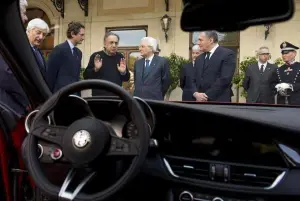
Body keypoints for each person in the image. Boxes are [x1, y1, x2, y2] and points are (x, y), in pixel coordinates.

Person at [0, 0, 29, 116]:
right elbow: (7, 74)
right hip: (9, 108)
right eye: (23, 13)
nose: (26, 18)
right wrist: (27, 98)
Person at [192, 31, 236, 102]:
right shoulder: (199, 58)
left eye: (200, 40)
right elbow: (193, 79)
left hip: (219, 101)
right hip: (199, 101)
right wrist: (195, 93)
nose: (198, 43)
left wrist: (206, 96)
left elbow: (224, 79)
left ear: (211, 40)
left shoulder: (227, 55)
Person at [83, 32, 129, 96]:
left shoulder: (120, 57)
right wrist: (95, 69)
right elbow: (86, 77)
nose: (114, 45)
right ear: (104, 44)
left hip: (116, 96)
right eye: (111, 42)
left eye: (116, 43)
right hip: (99, 97)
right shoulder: (96, 56)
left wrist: (123, 72)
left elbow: (126, 78)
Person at [46, 21, 85, 93]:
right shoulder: (59, 49)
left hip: (74, 95)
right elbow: (50, 75)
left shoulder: (79, 53)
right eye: (81, 35)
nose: (83, 38)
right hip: (60, 95)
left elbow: (76, 77)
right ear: (73, 34)